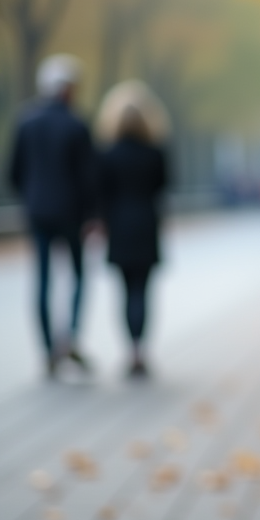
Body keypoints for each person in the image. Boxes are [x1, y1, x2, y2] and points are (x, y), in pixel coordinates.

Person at [6, 54, 97, 378]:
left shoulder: (25, 121)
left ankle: (47, 349)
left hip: (38, 212)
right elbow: (89, 176)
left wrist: (31, 199)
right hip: (71, 213)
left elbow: (14, 171)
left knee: (42, 279)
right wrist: (92, 215)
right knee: (77, 276)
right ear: (68, 89)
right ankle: (69, 336)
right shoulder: (77, 124)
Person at [95, 80, 170, 379]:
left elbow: (100, 192)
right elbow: (163, 186)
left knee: (125, 291)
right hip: (147, 223)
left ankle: (130, 348)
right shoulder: (155, 152)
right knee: (144, 290)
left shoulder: (108, 154)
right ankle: (141, 349)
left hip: (119, 226)